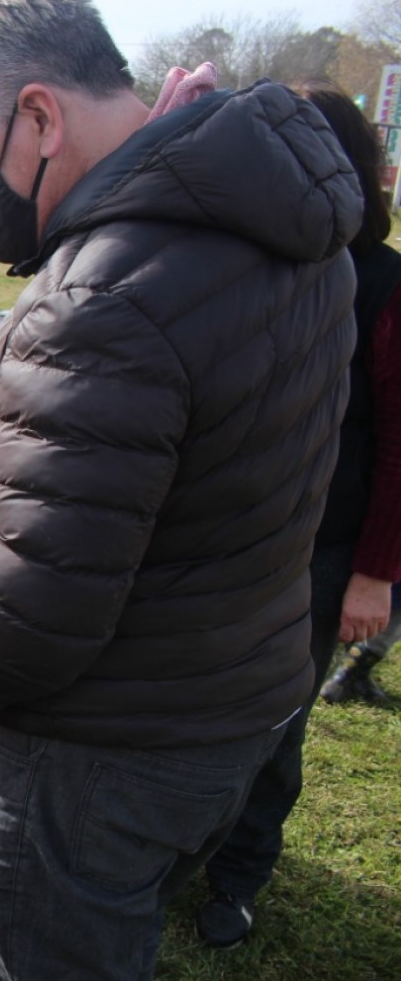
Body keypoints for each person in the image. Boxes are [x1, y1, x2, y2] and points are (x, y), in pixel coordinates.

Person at [0, 0, 362, 978]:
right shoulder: (291, 226)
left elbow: (28, 623)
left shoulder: (101, 300)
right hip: (234, 698)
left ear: (38, 115)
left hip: (106, 747)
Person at [197, 78, 401, 949]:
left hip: (322, 551)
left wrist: (373, 573)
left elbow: (399, 443)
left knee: (275, 723)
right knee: (195, 709)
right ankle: (175, 853)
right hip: (221, 540)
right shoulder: (237, 260)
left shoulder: (385, 285)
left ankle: (238, 876)